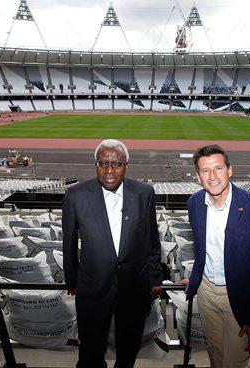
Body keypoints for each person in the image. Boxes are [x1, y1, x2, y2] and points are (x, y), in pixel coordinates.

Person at [62, 139, 162, 368]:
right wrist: (72, 279)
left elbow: (152, 240)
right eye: (102, 163)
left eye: (116, 164)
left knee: (128, 347)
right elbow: (68, 242)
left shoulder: (145, 193)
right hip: (92, 287)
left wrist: (155, 278)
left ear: (126, 165)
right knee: (90, 349)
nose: (109, 170)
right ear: (95, 165)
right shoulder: (75, 195)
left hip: (134, 286)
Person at [184, 144, 250, 368]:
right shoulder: (194, 203)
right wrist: (195, 278)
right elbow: (202, 250)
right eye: (205, 171)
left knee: (235, 359)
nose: (213, 176)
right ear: (198, 176)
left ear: (230, 170)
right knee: (215, 352)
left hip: (239, 295)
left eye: (218, 168)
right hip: (206, 292)